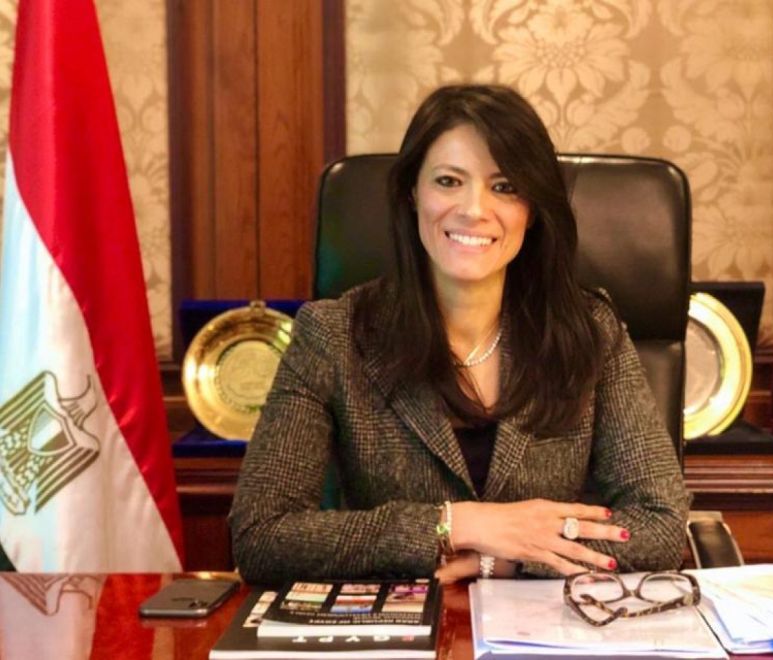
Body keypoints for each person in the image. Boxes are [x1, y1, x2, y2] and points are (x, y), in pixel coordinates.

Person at [229, 84, 689, 585]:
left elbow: (662, 526)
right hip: (400, 622)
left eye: (504, 187)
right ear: (412, 193)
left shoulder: (590, 331)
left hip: (549, 623)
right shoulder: (333, 335)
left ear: (532, 208)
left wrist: (509, 557)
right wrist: (456, 524)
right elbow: (261, 536)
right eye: (449, 181)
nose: (474, 209)